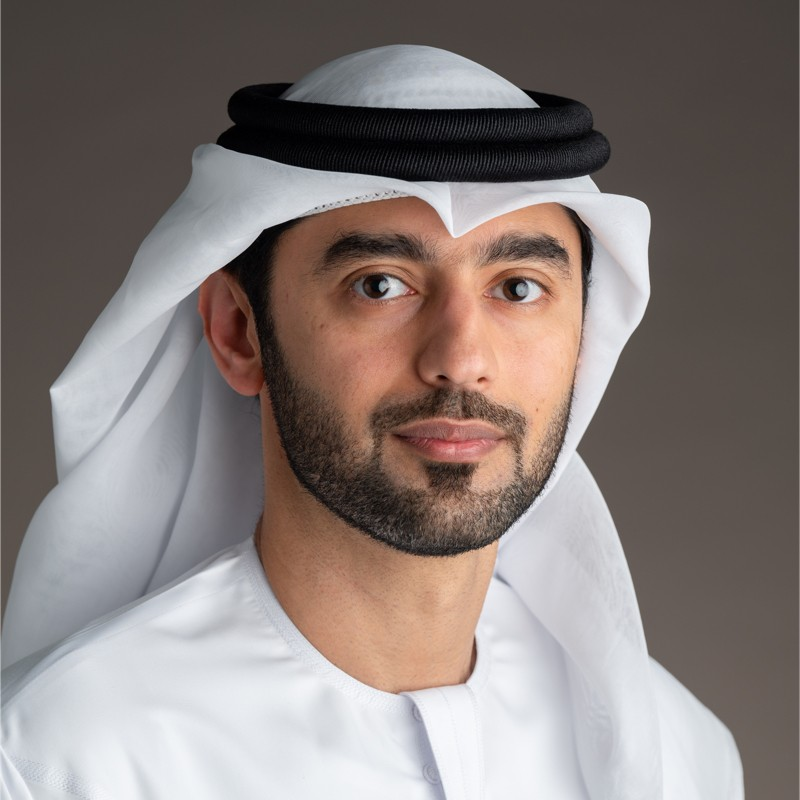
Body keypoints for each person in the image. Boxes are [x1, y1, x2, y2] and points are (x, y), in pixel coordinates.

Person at [1, 45, 743, 799]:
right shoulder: (53, 763)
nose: (461, 361)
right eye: (381, 285)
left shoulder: (681, 755)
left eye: (518, 288)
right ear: (239, 332)